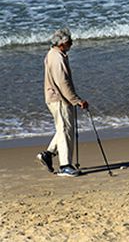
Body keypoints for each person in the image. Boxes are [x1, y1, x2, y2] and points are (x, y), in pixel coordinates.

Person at [37, 28, 88, 177]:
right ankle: (65, 165)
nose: (71, 44)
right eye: (69, 42)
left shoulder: (53, 54)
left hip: (56, 98)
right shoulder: (58, 58)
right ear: (62, 44)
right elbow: (62, 82)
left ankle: (48, 154)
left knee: (63, 128)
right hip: (59, 99)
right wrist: (77, 100)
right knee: (66, 130)